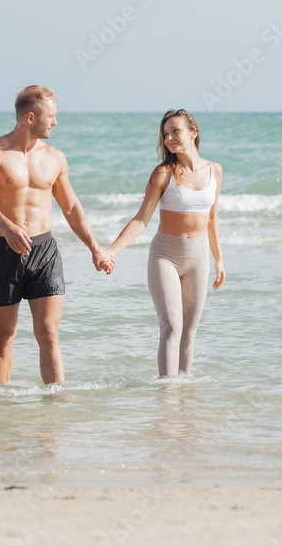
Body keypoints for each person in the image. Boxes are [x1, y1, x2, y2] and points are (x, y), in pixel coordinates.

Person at [0, 85, 113, 385]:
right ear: (30, 117)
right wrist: (8, 226)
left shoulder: (55, 157)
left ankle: (55, 399)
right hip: (3, 250)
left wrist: (95, 247)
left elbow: (72, 207)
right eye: (51, 116)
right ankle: (1, 405)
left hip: (44, 250)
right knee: (4, 334)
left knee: (48, 331)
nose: (55, 122)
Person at [103, 109, 226, 377]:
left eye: (175, 131)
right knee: (171, 326)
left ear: (193, 132)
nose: (169, 137)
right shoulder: (164, 173)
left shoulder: (214, 170)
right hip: (165, 256)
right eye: (165, 133)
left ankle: (183, 400)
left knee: (189, 333)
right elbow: (140, 221)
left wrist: (218, 259)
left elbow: (212, 218)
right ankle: (167, 395)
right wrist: (110, 251)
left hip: (199, 258)